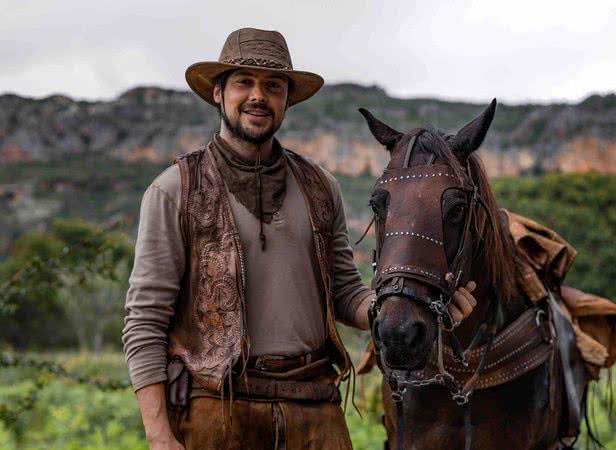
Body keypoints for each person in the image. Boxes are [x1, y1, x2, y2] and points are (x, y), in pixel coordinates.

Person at [121, 27, 478, 450]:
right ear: (218, 92)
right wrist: (159, 435)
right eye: (244, 82)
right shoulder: (174, 189)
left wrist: (411, 307)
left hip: (314, 406)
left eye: (273, 86)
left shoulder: (319, 186)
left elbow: (345, 291)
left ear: (287, 99)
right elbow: (145, 320)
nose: (258, 95)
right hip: (216, 409)